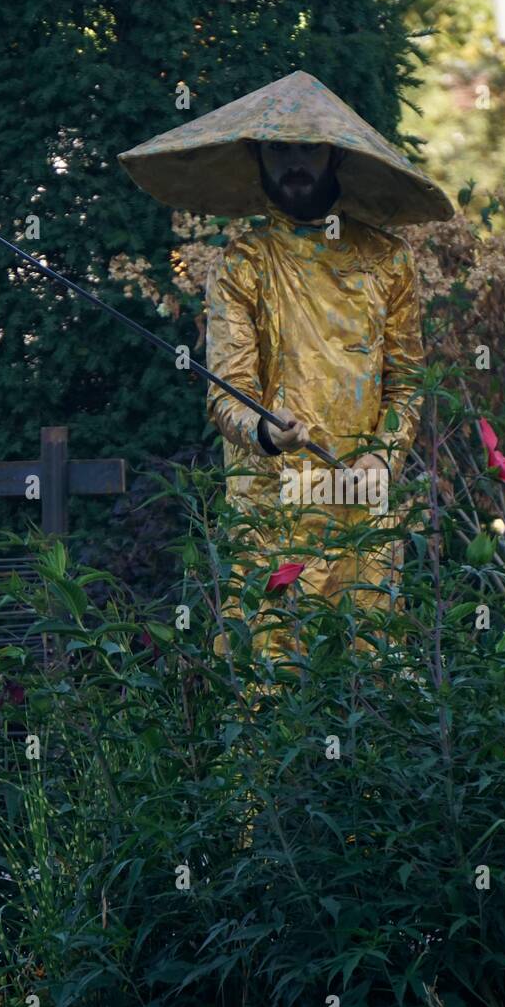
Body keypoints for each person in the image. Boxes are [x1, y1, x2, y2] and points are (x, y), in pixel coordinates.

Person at [119, 70, 453, 661]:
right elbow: (227, 393)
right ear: (258, 159)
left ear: (335, 156)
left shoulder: (388, 260)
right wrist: (264, 431)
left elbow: (407, 379)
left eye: (308, 147)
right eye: (280, 148)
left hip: (361, 504)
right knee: (266, 678)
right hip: (270, 511)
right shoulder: (241, 263)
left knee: (367, 674)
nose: (294, 162)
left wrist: (383, 453)